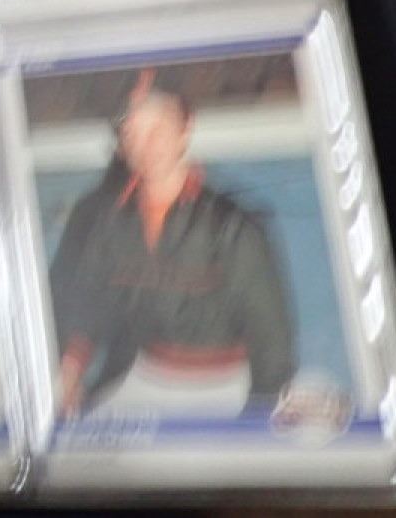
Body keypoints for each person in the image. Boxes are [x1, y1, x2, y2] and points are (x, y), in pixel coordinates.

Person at [50, 76, 297, 418]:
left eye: (158, 129)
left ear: (185, 128)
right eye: (133, 133)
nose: (146, 145)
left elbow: (272, 342)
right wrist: (70, 371)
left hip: (221, 384)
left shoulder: (233, 225)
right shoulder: (108, 221)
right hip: (144, 375)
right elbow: (86, 303)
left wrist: (257, 421)